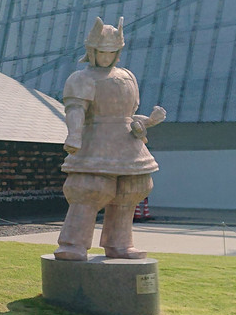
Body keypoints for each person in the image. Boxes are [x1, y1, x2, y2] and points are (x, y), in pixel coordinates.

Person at [55, 17, 166, 261]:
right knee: (90, 189)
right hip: (95, 141)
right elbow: (75, 109)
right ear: (92, 51)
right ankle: (73, 244)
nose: (107, 56)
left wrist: (148, 121)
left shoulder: (127, 76)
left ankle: (119, 244)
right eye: (102, 52)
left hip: (127, 144)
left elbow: (127, 116)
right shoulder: (81, 78)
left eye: (112, 52)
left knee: (130, 191)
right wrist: (74, 134)